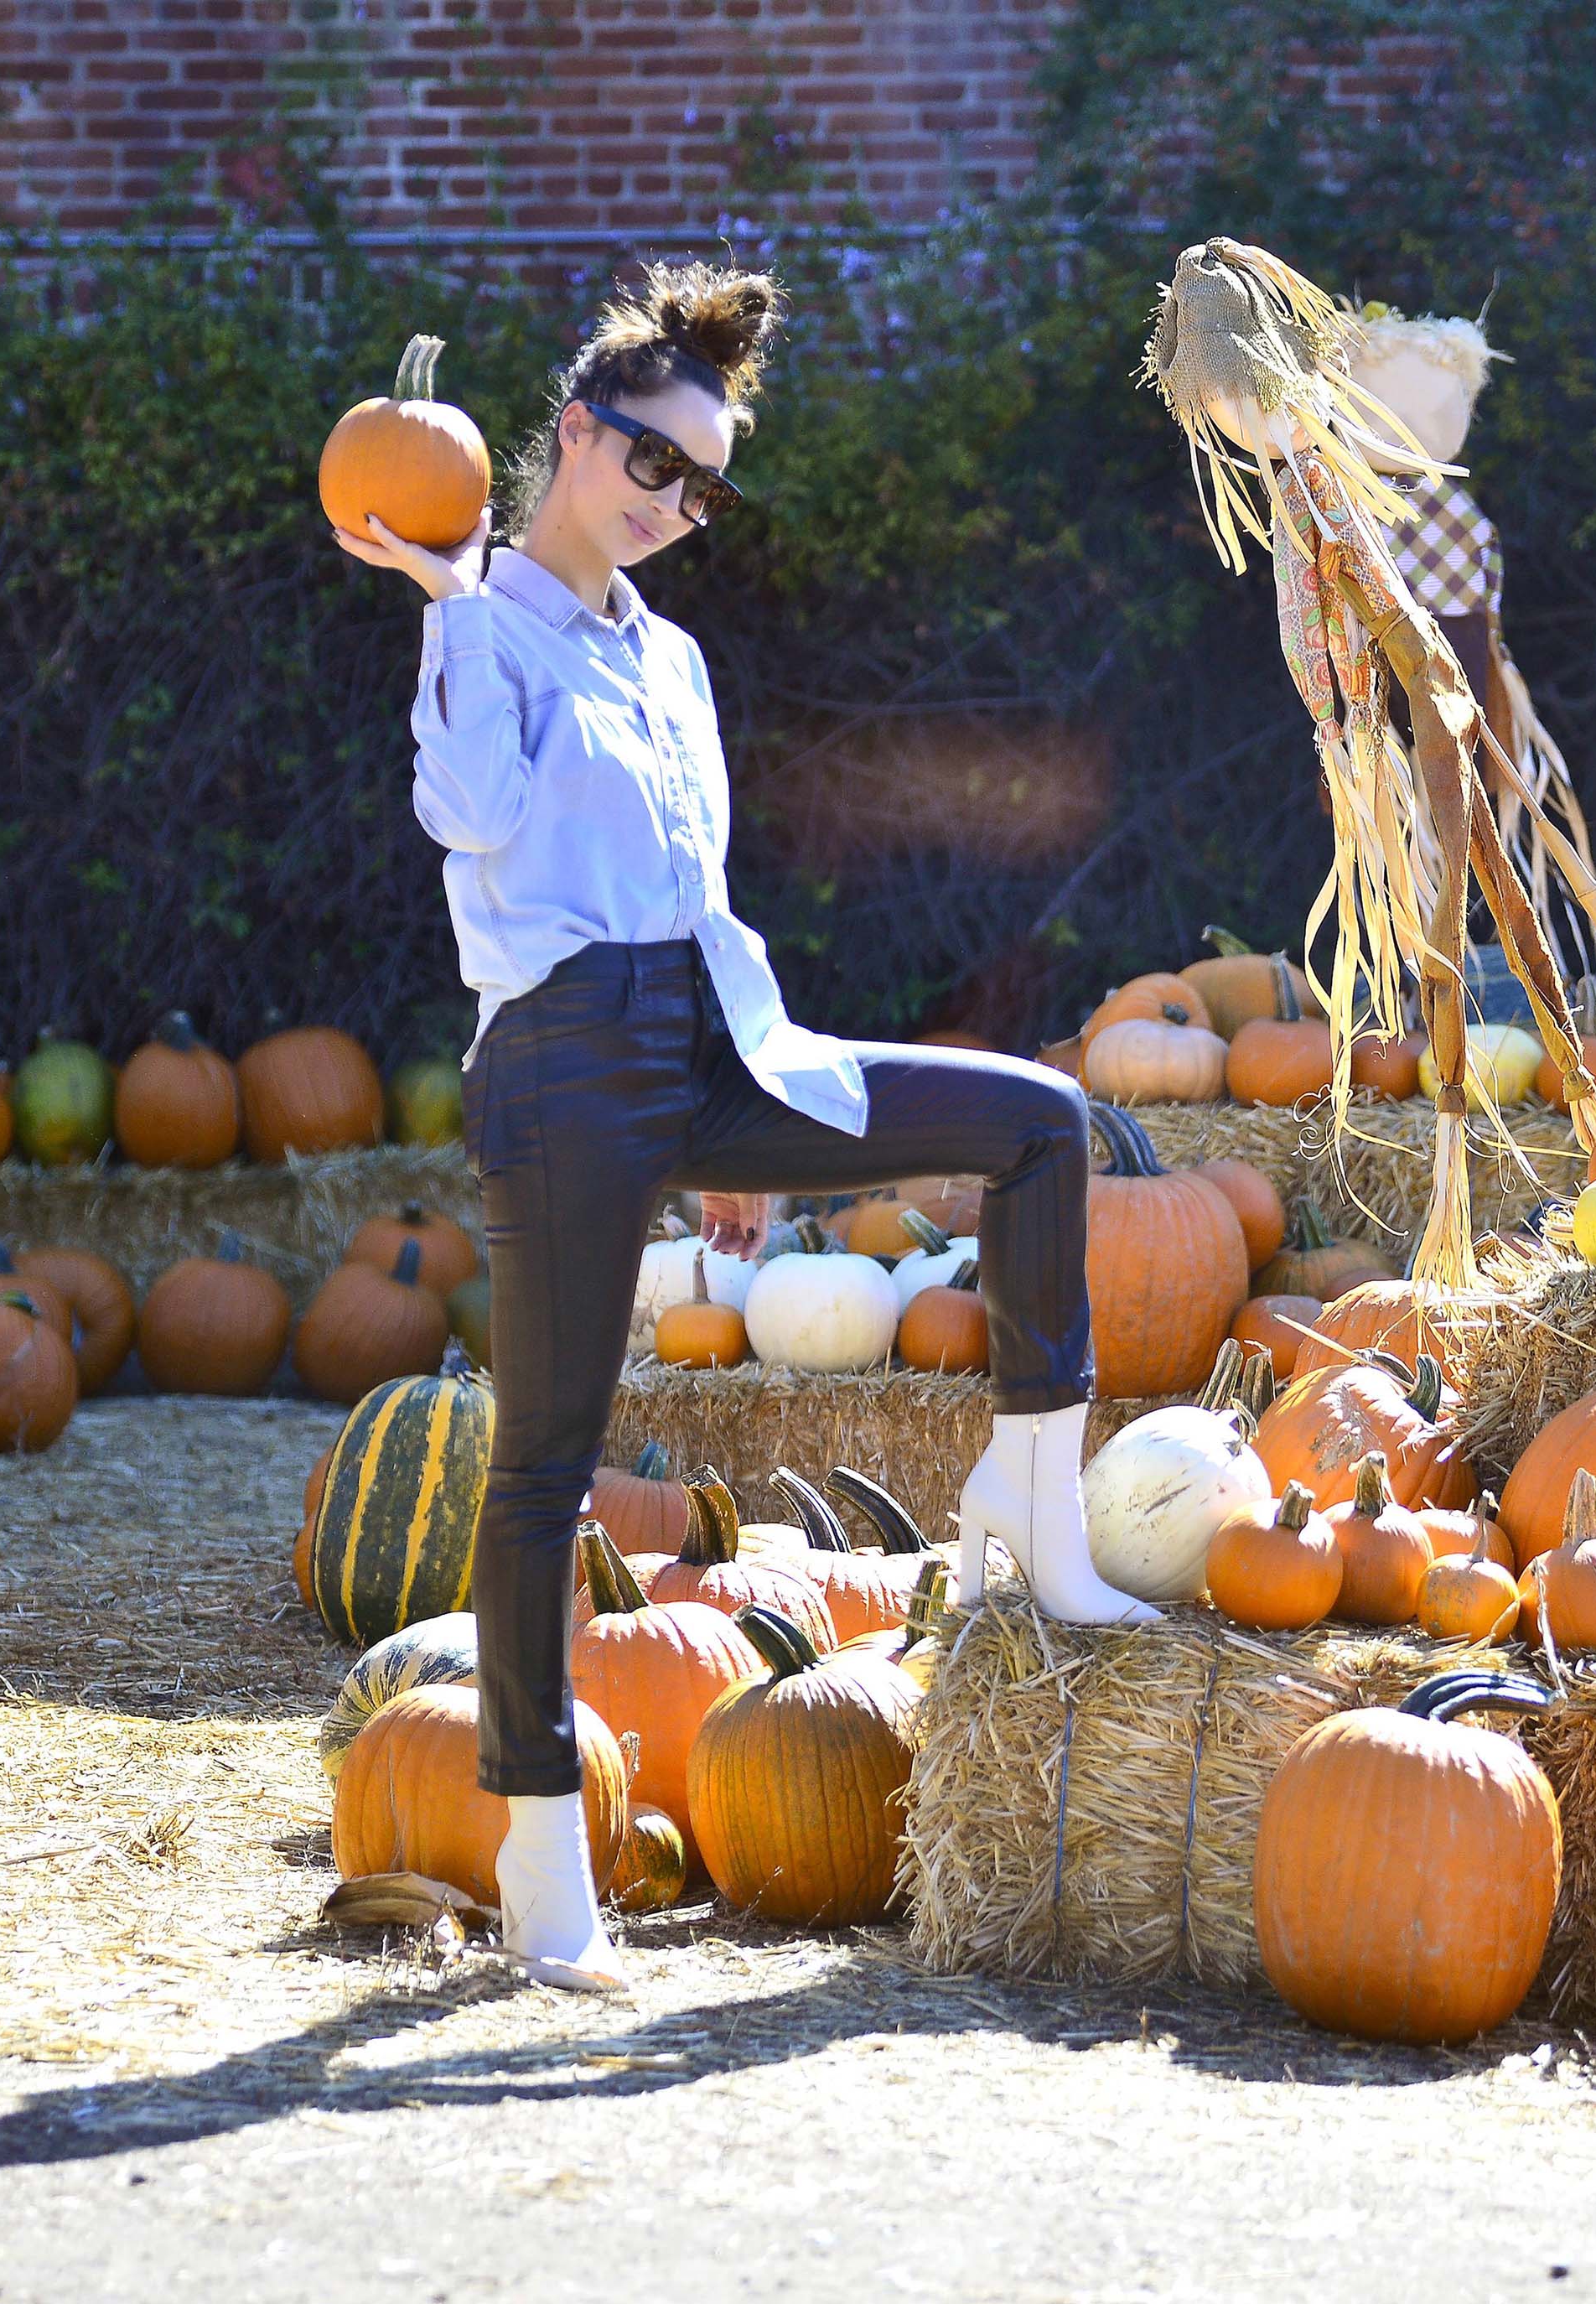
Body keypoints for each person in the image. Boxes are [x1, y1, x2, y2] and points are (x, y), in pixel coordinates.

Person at [334, 263, 1158, 1997]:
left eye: (701, 486)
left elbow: (701, 900)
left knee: (1037, 1122)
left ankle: (1032, 1511)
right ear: (571, 432)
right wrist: (442, 602)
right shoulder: (485, 623)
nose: (672, 507)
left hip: (709, 1045)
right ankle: (544, 1859)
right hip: (558, 1064)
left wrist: (728, 1131)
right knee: (544, 1454)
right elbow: (466, 818)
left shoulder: (678, 660)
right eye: (650, 465)